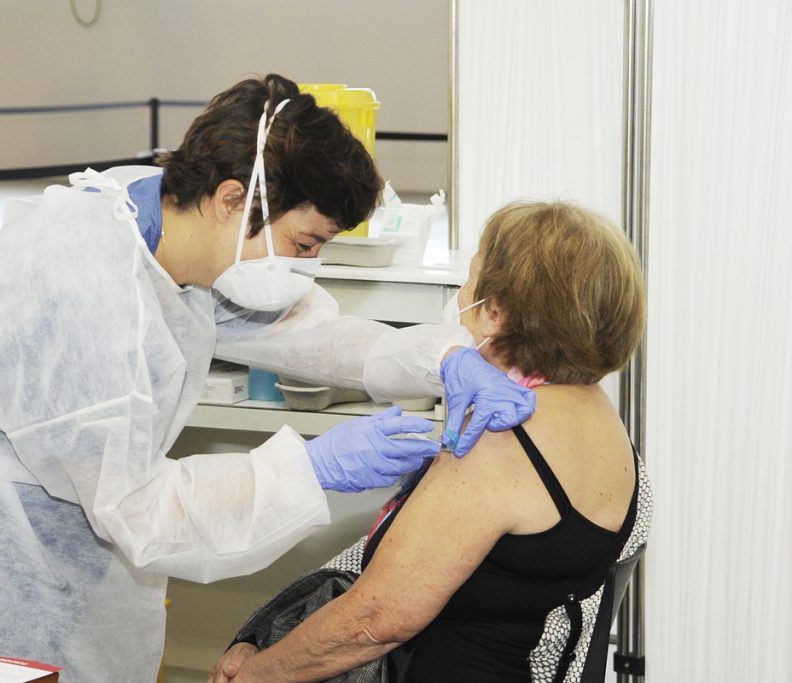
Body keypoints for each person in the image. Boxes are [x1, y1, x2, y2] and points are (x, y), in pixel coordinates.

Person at [0, 75, 532, 681]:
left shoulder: (166, 218)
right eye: (304, 242)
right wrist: (312, 467)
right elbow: (139, 507)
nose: (307, 268)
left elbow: (294, 327)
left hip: (42, 524)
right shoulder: (83, 285)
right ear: (235, 199)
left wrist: (437, 356)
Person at [211, 200, 653, 682]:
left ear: (494, 313)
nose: (462, 293)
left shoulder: (499, 440)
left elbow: (373, 622)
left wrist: (257, 674)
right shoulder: (598, 416)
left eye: (471, 276)